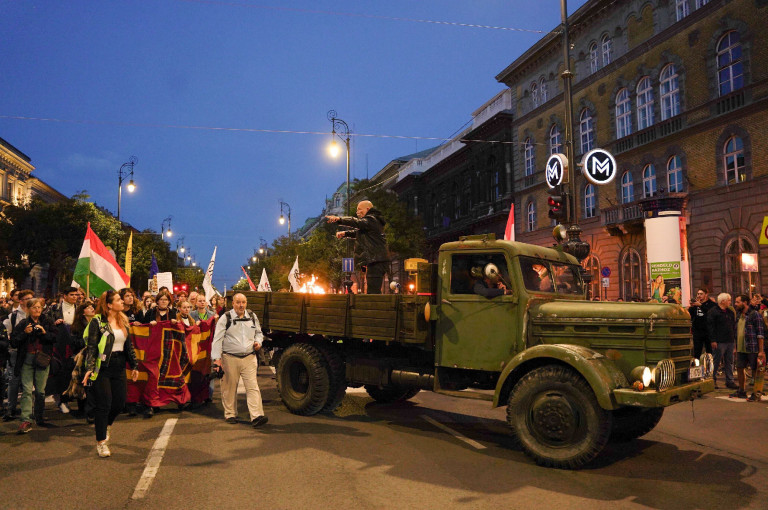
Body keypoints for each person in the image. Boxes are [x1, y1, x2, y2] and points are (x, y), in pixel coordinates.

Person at [82, 290, 139, 458]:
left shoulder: (123, 320)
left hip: (119, 365)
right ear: (109, 304)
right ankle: (101, 442)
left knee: (120, 403)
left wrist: (134, 365)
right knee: (104, 404)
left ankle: (106, 424)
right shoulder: (97, 322)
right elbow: (92, 347)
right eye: (119, 300)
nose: (122, 302)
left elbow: (128, 346)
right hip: (102, 367)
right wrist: (90, 368)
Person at [211, 293, 267, 427]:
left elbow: (259, 333)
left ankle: (257, 415)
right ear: (233, 303)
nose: (241, 305)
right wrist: (216, 360)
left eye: (243, 302)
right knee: (229, 388)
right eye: (238, 302)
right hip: (229, 358)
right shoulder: (226, 318)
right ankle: (230, 414)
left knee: (253, 387)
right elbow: (217, 339)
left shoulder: (252, 316)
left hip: (249, 357)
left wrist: (258, 342)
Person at [10, 298, 55, 433]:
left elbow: (55, 338)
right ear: (28, 309)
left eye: (39, 307)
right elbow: (14, 342)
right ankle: (26, 419)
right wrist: (25, 333)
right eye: (34, 307)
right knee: (27, 390)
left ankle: (39, 416)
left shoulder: (47, 322)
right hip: (27, 359)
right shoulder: (23, 324)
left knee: (40, 391)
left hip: (42, 359)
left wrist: (44, 333)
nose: (37, 310)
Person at [326, 200, 390, 294]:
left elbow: (356, 222)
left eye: (359, 210)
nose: (357, 212)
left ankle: (375, 308)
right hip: (377, 259)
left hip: (377, 260)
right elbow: (359, 233)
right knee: (373, 289)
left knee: (373, 291)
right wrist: (345, 233)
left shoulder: (371, 219)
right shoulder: (372, 222)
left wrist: (339, 219)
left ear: (367, 209)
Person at [3, 289, 35, 421]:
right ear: (21, 301)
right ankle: (11, 408)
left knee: (29, 382)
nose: (31, 301)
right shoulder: (14, 316)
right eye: (28, 299)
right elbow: (9, 336)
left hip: (31, 352)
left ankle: (30, 409)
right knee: (14, 381)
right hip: (16, 353)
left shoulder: (37, 314)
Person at [732, 295, 765, 400]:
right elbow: (737, 332)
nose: (735, 304)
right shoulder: (738, 315)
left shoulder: (754, 315)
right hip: (741, 348)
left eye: (738, 302)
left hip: (752, 347)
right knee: (740, 368)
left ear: (745, 302)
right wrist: (735, 347)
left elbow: (760, 334)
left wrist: (761, 351)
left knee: (755, 370)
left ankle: (756, 393)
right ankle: (741, 390)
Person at [707, 292, 737, 390]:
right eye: (728, 300)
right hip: (719, 341)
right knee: (716, 361)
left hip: (729, 340)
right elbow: (711, 327)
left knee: (730, 361)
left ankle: (730, 380)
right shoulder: (713, 312)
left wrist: (734, 341)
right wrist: (713, 340)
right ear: (723, 301)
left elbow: (733, 326)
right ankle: (712, 380)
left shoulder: (730, 312)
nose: (730, 302)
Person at [689, 288, 716, 358]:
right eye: (698, 294)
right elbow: (691, 315)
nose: (699, 295)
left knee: (709, 351)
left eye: (701, 294)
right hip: (697, 331)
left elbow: (710, 313)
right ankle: (697, 366)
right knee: (697, 351)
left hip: (708, 331)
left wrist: (700, 305)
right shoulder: (695, 304)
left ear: (706, 294)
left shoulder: (711, 304)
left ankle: (709, 366)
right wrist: (691, 307)